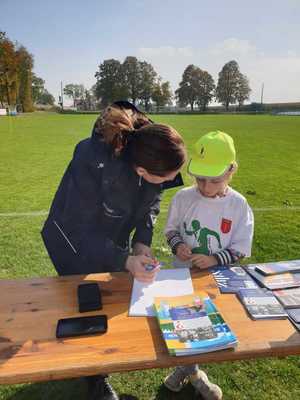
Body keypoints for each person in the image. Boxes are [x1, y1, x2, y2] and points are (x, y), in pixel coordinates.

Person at [41, 100, 186, 400]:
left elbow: (151, 202)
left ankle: (98, 365)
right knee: (86, 302)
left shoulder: (150, 147)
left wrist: (141, 243)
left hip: (110, 229)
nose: (172, 182)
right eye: (167, 177)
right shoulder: (90, 157)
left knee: (110, 301)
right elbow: (78, 230)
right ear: (142, 169)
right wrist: (123, 259)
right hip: (70, 239)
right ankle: (95, 379)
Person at [163, 131, 254, 400]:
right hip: (181, 274)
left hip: (216, 279)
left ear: (231, 170)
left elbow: (240, 248)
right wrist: (178, 245)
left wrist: (214, 259)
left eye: (214, 180)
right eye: (200, 179)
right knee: (184, 325)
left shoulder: (238, 205)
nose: (205, 187)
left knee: (208, 328)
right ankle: (192, 373)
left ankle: (186, 372)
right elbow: (170, 230)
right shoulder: (183, 197)